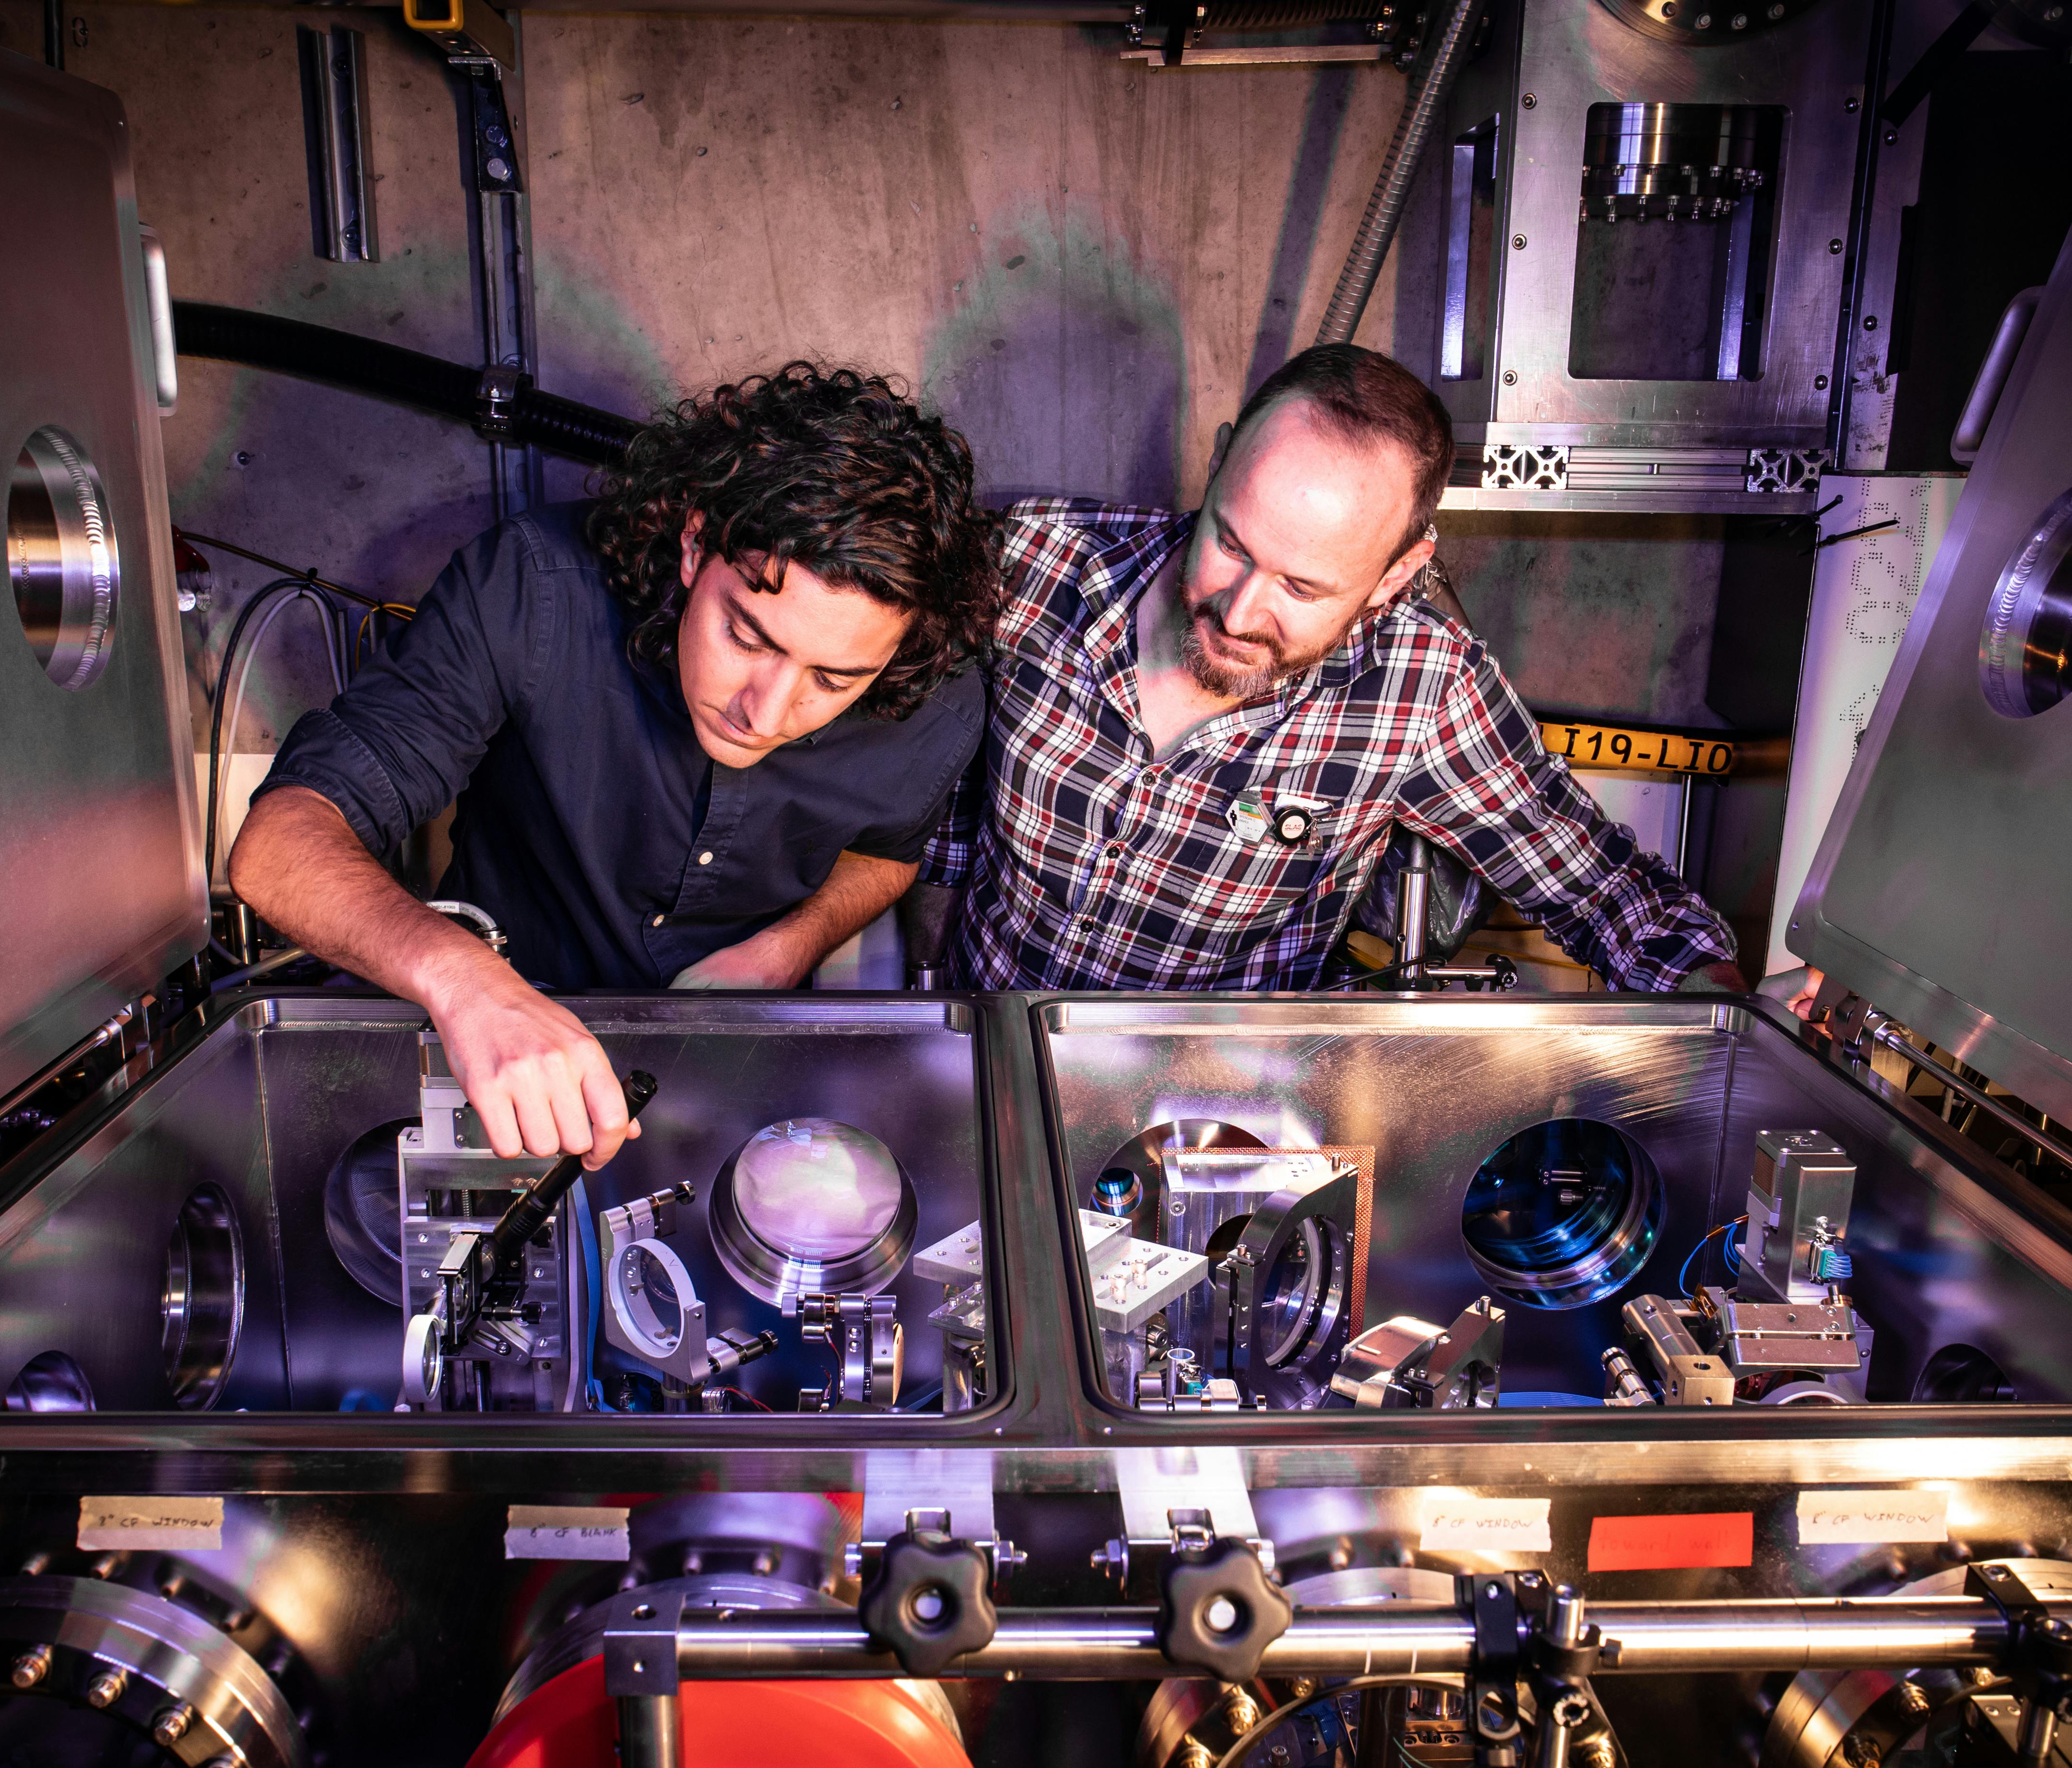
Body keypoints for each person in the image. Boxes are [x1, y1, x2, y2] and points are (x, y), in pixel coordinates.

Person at [230, 363, 999, 1170]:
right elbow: (278, 847)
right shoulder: (534, 590)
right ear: (696, 543)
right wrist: (467, 983)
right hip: (490, 1057)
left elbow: (884, 855)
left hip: (732, 1095)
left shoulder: (936, 701)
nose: (764, 713)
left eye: (833, 680)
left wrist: (784, 949)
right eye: (748, 636)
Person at [917, 343, 1747, 996]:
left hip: (1212, 1121)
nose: (1239, 613)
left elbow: (1602, 891)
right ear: (1219, 465)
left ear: (1394, 574)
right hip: (986, 1066)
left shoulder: (1422, 690)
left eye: (1303, 587)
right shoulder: (1040, 563)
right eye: (1230, 543)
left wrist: (1734, 1015)